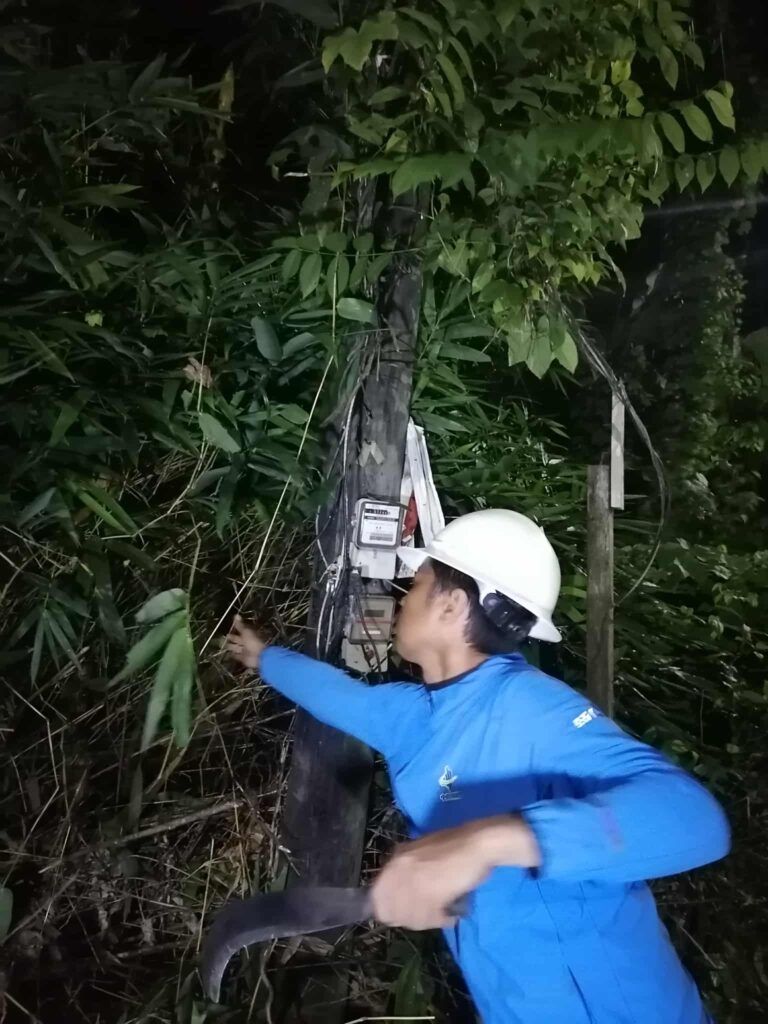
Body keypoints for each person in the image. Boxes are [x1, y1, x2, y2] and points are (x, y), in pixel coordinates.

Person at [225, 508, 730, 1024]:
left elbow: (694, 819)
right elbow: (335, 695)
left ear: (450, 604)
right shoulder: (412, 715)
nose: (403, 598)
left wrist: (487, 842)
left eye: (416, 584)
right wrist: (266, 658)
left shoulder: (533, 709)